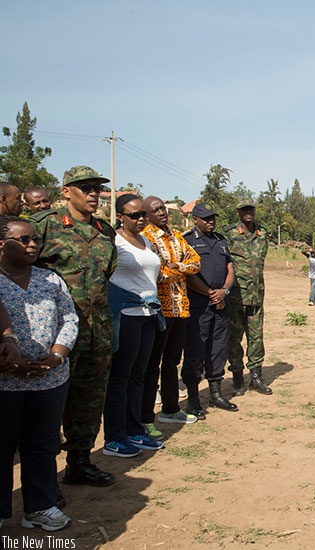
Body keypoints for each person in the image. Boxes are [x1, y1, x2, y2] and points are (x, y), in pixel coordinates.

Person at [31, 165, 117, 487]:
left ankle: (79, 463)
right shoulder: (45, 226)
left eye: (97, 188)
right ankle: (42, 480)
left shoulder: (105, 231)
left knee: (89, 401)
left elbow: (105, 274)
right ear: (67, 191)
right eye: (86, 188)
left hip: (97, 331)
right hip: (55, 336)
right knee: (50, 407)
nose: (94, 194)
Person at [0, 215, 78, 532]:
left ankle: (40, 506)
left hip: (50, 378)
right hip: (5, 381)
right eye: (24, 239)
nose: (33, 244)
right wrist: (14, 363)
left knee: (43, 444)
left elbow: (69, 319)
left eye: (35, 239)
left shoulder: (51, 280)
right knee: (2, 447)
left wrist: (57, 356)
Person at [102, 195, 164, 458]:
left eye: (142, 215)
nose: (140, 219)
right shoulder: (113, 242)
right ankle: (115, 437)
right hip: (126, 315)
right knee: (120, 377)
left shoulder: (146, 241)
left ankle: (134, 428)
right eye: (134, 215)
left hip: (147, 315)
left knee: (138, 374)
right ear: (120, 217)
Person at [139, 196, 200, 431]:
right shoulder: (146, 237)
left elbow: (196, 262)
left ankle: (171, 409)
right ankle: (145, 417)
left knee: (172, 361)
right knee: (151, 364)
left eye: (163, 207)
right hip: (159, 309)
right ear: (147, 214)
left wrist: (179, 267)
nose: (162, 212)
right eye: (155, 210)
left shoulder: (176, 235)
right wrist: (179, 270)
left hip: (180, 307)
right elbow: (158, 274)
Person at [182, 202, 238, 415]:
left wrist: (223, 291)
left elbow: (229, 268)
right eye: (206, 218)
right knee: (195, 350)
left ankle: (215, 393)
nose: (210, 221)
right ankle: (194, 397)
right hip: (199, 306)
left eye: (213, 217)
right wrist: (210, 294)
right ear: (195, 219)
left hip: (222, 304)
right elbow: (189, 275)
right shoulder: (187, 241)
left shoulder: (221, 241)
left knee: (218, 349)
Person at [224, 199, 271, 396]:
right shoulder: (229, 233)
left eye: (250, 209)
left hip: (256, 294)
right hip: (236, 295)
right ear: (238, 213)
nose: (248, 213)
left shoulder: (262, 233)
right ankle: (237, 375)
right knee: (234, 338)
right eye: (244, 210)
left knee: (256, 337)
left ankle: (256, 376)